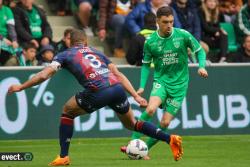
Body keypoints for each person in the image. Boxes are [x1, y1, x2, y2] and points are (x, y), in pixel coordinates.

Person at [7, 29, 184, 166]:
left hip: (98, 91)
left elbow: (45, 75)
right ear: (84, 41)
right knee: (132, 123)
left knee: (67, 111)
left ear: (71, 41)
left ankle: (63, 156)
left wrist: (22, 87)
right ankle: (170, 139)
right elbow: (118, 74)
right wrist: (135, 96)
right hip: (116, 89)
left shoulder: (65, 54)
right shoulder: (97, 52)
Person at [121, 6, 208, 160]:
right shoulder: (151, 42)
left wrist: (201, 67)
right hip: (161, 81)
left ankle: (145, 149)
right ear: (157, 22)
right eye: (165, 22)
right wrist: (141, 86)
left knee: (165, 122)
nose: (169, 25)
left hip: (180, 85)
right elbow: (146, 64)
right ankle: (132, 143)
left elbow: (200, 51)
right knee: (150, 110)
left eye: (171, 22)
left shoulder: (183, 35)